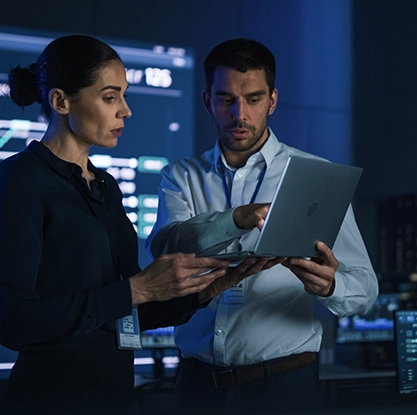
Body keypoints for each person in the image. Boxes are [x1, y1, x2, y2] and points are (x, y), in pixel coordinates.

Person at [0, 35, 278, 415]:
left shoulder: (104, 186)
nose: (126, 111)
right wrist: (135, 288)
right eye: (110, 97)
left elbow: (127, 309)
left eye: (124, 96)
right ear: (61, 101)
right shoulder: (18, 180)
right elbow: (12, 321)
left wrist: (206, 289)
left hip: (113, 397)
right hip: (49, 398)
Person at [145, 38, 379, 414]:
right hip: (197, 387)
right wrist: (236, 220)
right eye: (225, 99)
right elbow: (166, 247)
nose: (239, 114)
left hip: (286, 387)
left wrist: (332, 285)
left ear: (272, 100)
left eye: (253, 99)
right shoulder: (181, 176)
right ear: (207, 100)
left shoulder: (316, 177)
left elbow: (365, 289)